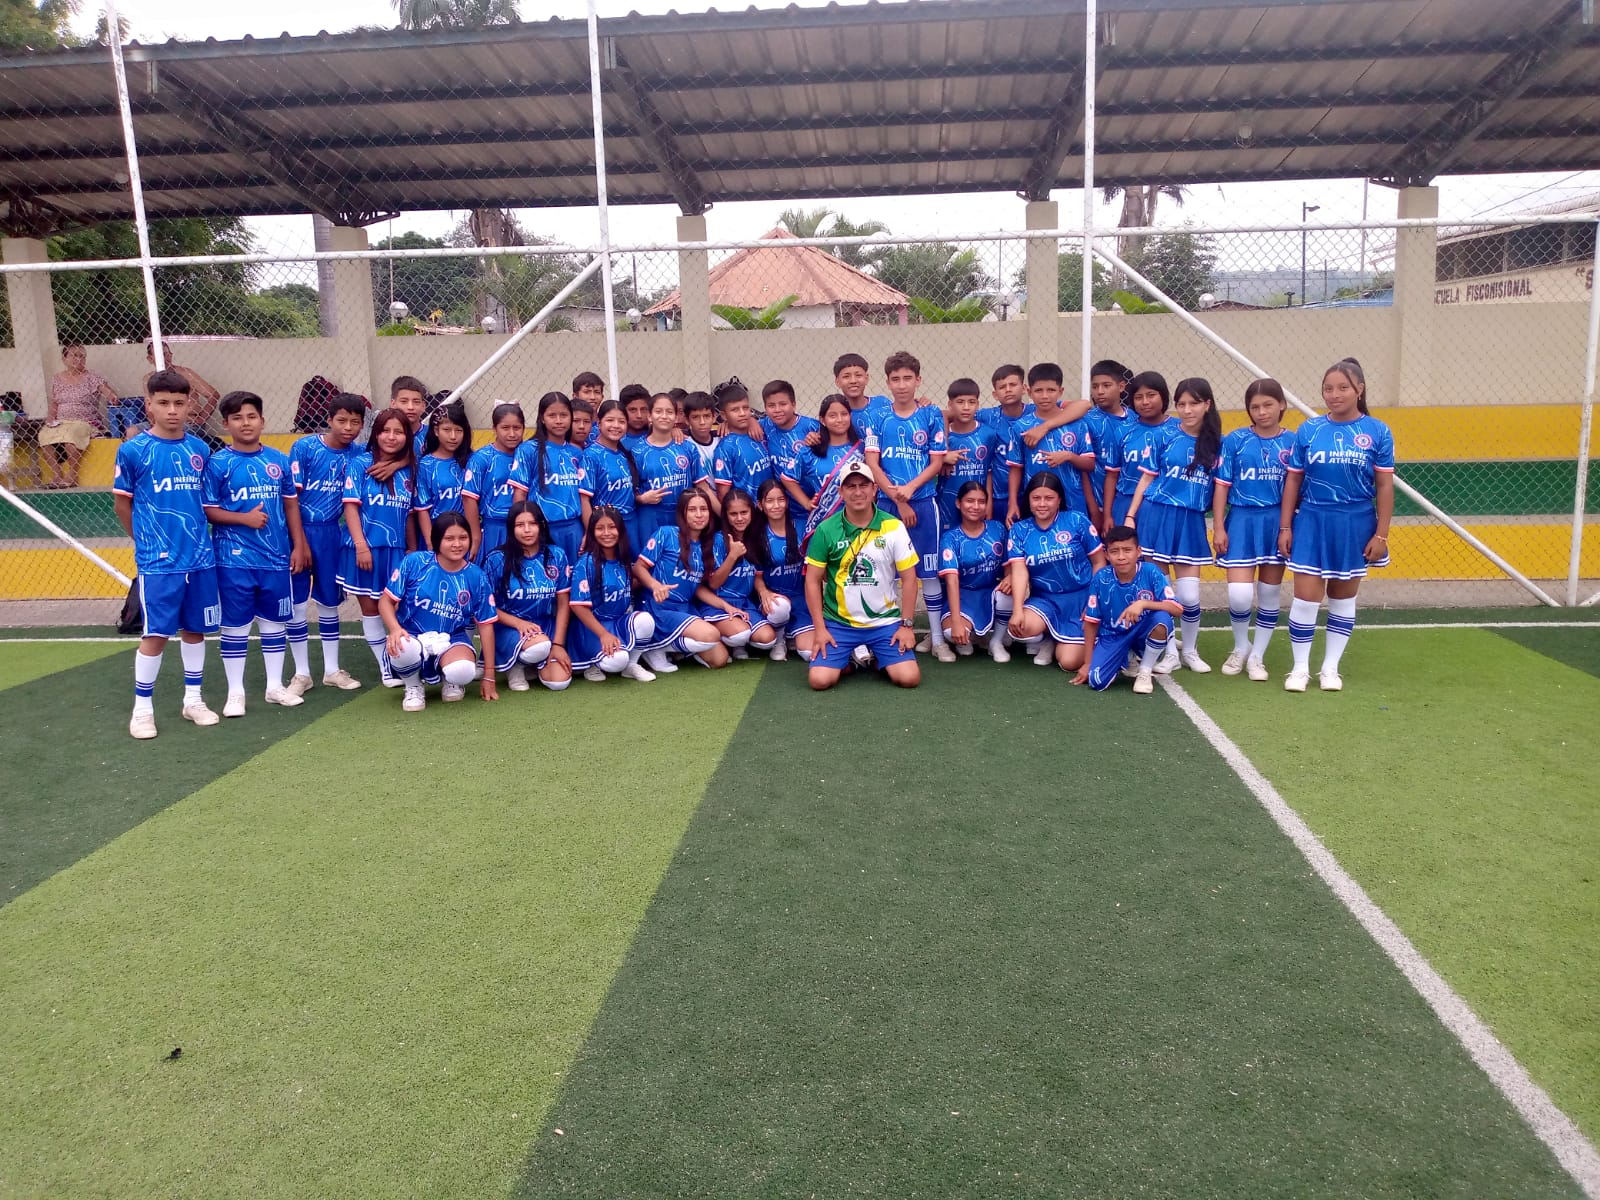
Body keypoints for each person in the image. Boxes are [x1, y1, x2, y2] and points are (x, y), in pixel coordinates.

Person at [112, 369, 220, 739]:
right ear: (149, 406)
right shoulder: (133, 450)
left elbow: (205, 502)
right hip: (159, 562)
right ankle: (142, 710)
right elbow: (122, 504)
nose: (172, 410)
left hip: (200, 557)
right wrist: (144, 541)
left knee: (195, 631)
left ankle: (194, 700)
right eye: (163, 403)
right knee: (155, 634)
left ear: (189, 406)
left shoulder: (200, 449)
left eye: (179, 403)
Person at [1278, 357, 1395, 693]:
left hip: (1355, 523)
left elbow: (1384, 486)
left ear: (1360, 390)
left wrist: (1381, 534)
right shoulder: (1309, 429)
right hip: (1312, 520)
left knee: (1342, 599)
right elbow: (1293, 481)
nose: (1334, 394)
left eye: (1343, 387)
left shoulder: (1378, 431)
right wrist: (1285, 527)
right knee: (1305, 598)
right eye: (1328, 388)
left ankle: (1330, 668)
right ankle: (1300, 668)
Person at [202, 390, 309, 716]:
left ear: (262, 420)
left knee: (274, 623)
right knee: (235, 626)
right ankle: (235, 693)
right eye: (237, 418)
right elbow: (208, 510)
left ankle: (274, 686)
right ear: (226, 424)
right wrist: (243, 519)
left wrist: (298, 545)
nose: (245, 423)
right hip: (233, 560)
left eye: (251, 416)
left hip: (276, 558)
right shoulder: (217, 463)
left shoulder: (278, 460)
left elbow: (291, 505)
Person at [1125, 377, 1221, 674]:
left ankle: (1190, 650)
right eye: (1182, 404)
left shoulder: (1219, 443)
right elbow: (1147, 478)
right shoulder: (1164, 435)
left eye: (1194, 403)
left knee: (1189, 596)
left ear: (1207, 404)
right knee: (1163, 593)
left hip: (1190, 521)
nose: (1187, 410)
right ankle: (1170, 653)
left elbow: (1220, 488)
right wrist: (1131, 516)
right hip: (1157, 515)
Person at [803, 459, 921, 691]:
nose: (858, 492)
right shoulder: (826, 529)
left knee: (909, 678)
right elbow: (812, 580)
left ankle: (877, 657)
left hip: (884, 622)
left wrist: (906, 626)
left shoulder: (894, 526)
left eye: (863, 485)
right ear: (841, 492)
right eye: (851, 486)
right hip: (839, 623)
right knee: (819, 681)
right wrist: (820, 629)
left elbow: (909, 579)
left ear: (874, 489)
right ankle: (850, 658)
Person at [865, 349, 948, 656]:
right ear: (888, 382)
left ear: (918, 380)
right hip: (888, 507)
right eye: (896, 379)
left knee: (928, 573)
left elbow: (936, 462)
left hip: (923, 503)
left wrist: (911, 489)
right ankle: (885, 636)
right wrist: (898, 499)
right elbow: (872, 463)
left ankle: (937, 640)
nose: (902, 385)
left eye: (907, 378)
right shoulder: (878, 416)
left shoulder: (930, 414)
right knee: (884, 573)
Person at [1213, 378, 1294, 681]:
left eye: (1268, 405)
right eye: (1255, 407)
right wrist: (1218, 526)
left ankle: (1257, 656)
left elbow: (1297, 486)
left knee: (1269, 593)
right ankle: (1240, 646)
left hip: (1276, 521)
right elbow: (1222, 485)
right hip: (1241, 520)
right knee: (1239, 595)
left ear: (1281, 405)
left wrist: (1287, 526)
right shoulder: (1235, 440)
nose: (1262, 412)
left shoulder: (1293, 442)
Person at [380, 512, 499, 713]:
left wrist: (489, 675)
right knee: (402, 645)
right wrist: (394, 629)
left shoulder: (477, 576)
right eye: (449, 538)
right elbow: (385, 601)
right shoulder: (415, 562)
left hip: (451, 638)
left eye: (463, 537)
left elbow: (486, 625)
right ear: (437, 540)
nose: (457, 544)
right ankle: (413, 686)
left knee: (463, 671)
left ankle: (451, 681)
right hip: (412, 635)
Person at [288, 392, 367, 692]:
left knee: (328, 602)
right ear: (329, 420)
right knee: (297, 604)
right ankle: (301, 674)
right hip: (299, 532)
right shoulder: (305, 448)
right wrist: (299, 543)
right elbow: (291, 499)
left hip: (332, 534)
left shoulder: (359, 454)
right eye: (341, 420)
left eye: (355, 422)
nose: (348, 428)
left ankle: (332, 670)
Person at [340, 408, 418, 684]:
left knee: (399, 607)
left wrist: (411, 548)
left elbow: (409, 514)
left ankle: (407, 661)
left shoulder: (411, 468)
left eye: (398, 432)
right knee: (371, 608)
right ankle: (385, 666)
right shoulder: (360, 464)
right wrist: (361, 545)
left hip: (396, 550)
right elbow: (350, 507)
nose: (391, 437)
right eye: (385, 431)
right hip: (366, 549)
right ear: (375, 434)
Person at [1006, 473, 1105, 673]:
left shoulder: (1077, 520)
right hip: (1045, 600)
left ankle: (1080, 641)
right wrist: (1017, 610)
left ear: (1059, 499)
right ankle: (1049, 637)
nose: (1042, 504)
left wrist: (1094, 601)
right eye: (1036, 498)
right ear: (1028, 500)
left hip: (1082, 597)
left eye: (1049, 498)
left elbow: (1099, 562)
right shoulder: (1019, 530)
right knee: (1019, 628)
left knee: (1068, 662)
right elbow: (1019, 572)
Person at [1073, 525, 1183, 695]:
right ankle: (1126, 656)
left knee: (1162, 619)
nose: (1121, 557)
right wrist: (1087, 663)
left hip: (1142, 631)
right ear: (1106, 554)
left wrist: (1143, 604)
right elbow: (1091, 621)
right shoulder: (1101, 578)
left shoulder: (1151, 571)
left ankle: (1145, 670)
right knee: (1096, 681)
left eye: (1127, 550)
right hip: (1112, 635)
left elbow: (1176, 608)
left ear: (1138, 552)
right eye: (1115, 551)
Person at [633, 490, 732, 673]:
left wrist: (725, 606)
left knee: (719, 659)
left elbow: (697, 587)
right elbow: (638, 568)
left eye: (704, 509)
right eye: (692, 510)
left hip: (684, 608)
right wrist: (655, 585)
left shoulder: (708, 545)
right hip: (658, 607)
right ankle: (653, 647)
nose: (699, 514)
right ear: (682, 513)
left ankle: (667, 647)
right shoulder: (666, 534)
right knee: (711, 634)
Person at [485, 501, 573, 693]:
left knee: (558, 683)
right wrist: (519, 623)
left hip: (544, 626)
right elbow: (486, 608)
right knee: (539, 647)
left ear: (541, 525)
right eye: (520, 525)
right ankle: (515, 665)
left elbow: (563, 603)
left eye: (532, 524)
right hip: (508, 627)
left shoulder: (556, 555)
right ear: (511, 528)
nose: (527, 530)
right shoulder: (496, 559)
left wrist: (558, 644)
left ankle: (534, 662)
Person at [568, 505, 657, 682]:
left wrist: (655, 581)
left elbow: (627, 585)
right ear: (592, 532)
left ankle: (632, 665)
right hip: (592, 628)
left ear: (620, 530)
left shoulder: (623, 558)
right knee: (618, 660)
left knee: (646, 620)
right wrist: (603, 634)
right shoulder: (586, 563)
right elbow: (578, 606)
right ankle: (592, 663)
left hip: (617, 621)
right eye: (600, 528)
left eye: (612, 527)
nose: (607, 533)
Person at [1004, 362, 1096, 523]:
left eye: (1051, 390)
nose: (1045, 396)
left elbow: (1089, 465)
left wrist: (1068, 456)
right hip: (1037, 505)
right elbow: (1015, 468)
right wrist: (1012, 503)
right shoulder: (1021, 426)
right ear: (1029, 392)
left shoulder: (1077, 424)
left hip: (1072, 501)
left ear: (1061, 391)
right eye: (1039, 390)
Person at [938, 480, 1013, 663]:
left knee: (1009, 591)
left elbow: (1009, 566)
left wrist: (1010, 577)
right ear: (959, 503)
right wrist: (956, 621)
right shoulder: (950, 538)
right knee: (952, 633)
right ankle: (973, 635)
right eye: (970, 501)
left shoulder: (997, 529)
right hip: (963, 595)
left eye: (981, 501)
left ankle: (996, 642)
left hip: (990, 592)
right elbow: (952, 582)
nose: (976, 506)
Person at [702, 487, 777, 659]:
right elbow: (713, 583)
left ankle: (736, 642)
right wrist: (732, 556)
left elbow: (757, 574)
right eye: (733, 514)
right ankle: (719, 638)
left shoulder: (756, 537)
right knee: (740, 634)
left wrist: (763, 591)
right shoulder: (718, 540)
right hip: (718, 602)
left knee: (768, 639)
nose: (740, 518)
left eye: (744, 512)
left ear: (752, 512)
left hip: (744, 603)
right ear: (726, 516)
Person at [512, 391, 585, 564]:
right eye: (552, 415)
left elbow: (583, 496)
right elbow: (520, 494)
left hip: (574, 528)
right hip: (542, 529)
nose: (558, 420)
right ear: (542, 419)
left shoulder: (576, 452)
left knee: (575, 575)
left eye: (564, 415)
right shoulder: (528, 450)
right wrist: (522, 527)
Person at [1099, 371, 1176, 531]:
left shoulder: (1178, 429)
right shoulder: (1123, 431)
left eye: (1151, 395)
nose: (1145, 402)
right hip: (1125, 504)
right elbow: (1112, 475)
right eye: (1138, 397)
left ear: (1163, 395)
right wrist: (1107, 515)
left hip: (1163, 505)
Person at [634, 393, 710, 547]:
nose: (664, 416)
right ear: (649, 416)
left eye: (669, 412)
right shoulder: (637, 451)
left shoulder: (687, 447)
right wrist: (642, 499)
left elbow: (702, 487)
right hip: (651, 515)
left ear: (676, 417)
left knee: (683, 557)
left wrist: (722, 513)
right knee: (651, 557)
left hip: (683, 514)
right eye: (658, 411)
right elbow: (628, 492)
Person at [41, 343, 118, 488]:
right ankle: (57, 475)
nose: (79, 359)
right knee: (44, 436)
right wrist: (50, 419)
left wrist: (112, 396)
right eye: (74, 355)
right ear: (64, 359)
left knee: (71, 436)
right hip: (61, 422)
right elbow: (54, 403)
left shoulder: (92, 377)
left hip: (86, 422)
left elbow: (109, 392)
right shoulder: (57, 379)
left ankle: (72, 475)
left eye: (82, 356)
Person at [747, 478, 804, 662]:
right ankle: (779, 638)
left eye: (780, 500)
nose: (776, 505)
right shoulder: (756, 534)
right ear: (760, 505)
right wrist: (764, 592)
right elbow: (757, 574)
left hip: (802, 597)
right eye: (770, 501)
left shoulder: (802, 526)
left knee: (808, 653)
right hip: (776, 596)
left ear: (787, 502)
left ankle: (792, 634)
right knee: (779, 608)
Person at [462, 402, 525, 564]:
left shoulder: (528, 454)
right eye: (505, 428)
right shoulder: (482, 458)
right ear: (494, 429)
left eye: (517, 428)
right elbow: (469, 498)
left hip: (525, 527)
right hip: (493, 528)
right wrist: (476, 536)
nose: (512, 434)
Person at [937, 378, 1002, 532]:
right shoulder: (941, 435)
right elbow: (931, 463)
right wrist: (943, 456)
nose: (966, 407)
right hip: (946, 502)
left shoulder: (988, 434)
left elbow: (989, 472)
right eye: (960, 402)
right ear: (950, 404)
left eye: (971, 402)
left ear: (977, 405)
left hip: (977, 504)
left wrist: (989, 503)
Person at [579, 398, 645, 548]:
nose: (616, 425)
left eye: (621, 421)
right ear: (599, 423)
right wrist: (591, 532)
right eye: (610, 420)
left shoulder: (625, 454)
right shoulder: (591, 455)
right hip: (607, 527)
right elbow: (584, 499)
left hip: (631, 523)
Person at [781, 394, 859, 518]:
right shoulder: (810, 451)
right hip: (825, 521)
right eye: (832, 416)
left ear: (850, 416)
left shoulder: (861, 449)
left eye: (844, 414)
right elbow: (787, 478)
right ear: (823, 420)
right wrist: (806, 502)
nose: (839, 420)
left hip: (858, 518)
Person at [757, 379, 821, 524]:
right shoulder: (764, 425)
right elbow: (742, 423)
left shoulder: (812, 427)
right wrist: (749, 421)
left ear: (793, 404)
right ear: (765, 408)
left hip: (813, 503)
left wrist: (820, 439)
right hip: (782, 507)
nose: (777, 410)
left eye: (783, 404)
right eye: (771, 405)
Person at [1082, 359, 1134, 529]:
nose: (1100, 391)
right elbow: (1083, 470)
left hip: (1127, 503)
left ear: (1121, 386)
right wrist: (1094, 511)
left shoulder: (1135, 421)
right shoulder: (1087, 421)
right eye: (1095, 386)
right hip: (1094, 504)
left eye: (1106, 385)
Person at [144, 341, 224, 449]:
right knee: (132, 431)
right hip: (159, 423)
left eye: (165, 354)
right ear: (150, 359)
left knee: (176, 433)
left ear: (171, 355)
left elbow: (213, 395)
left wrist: (202, 418)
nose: (164, 358)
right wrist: (154, 425)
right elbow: (148, 407)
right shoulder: (148, 378)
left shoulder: (185, 373)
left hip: (187, 423)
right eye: (159, 355)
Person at [415, 400, 471, 548]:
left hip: (465, 535)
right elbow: (422, 508)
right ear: (436, 431)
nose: (453, 436)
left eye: (458, 430)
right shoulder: (426, 464)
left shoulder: (472, 461)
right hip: (437, 534)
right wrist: (430, 542)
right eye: (447, 430)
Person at [712, 379, 776, 500]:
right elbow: (723, 493)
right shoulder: (725, 448)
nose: (742, 413)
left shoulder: (759, 432)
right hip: (747, 509)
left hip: (771, 504)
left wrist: (752, 420)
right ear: (724, 415)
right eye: (735, 410)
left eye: (745, 408)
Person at [388, 375, 430, 460]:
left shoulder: (432, 435)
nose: (410, 407)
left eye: (416, 402)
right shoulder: (385, 436)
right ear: (393, 404)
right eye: (404, 401)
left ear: (423, 406)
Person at [682, 389, 721, 479]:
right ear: (687, 420)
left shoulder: (721, 437)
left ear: (714, 417)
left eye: (707, 416)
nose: (702, 422)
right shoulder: (683, 439)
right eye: (695, 417)